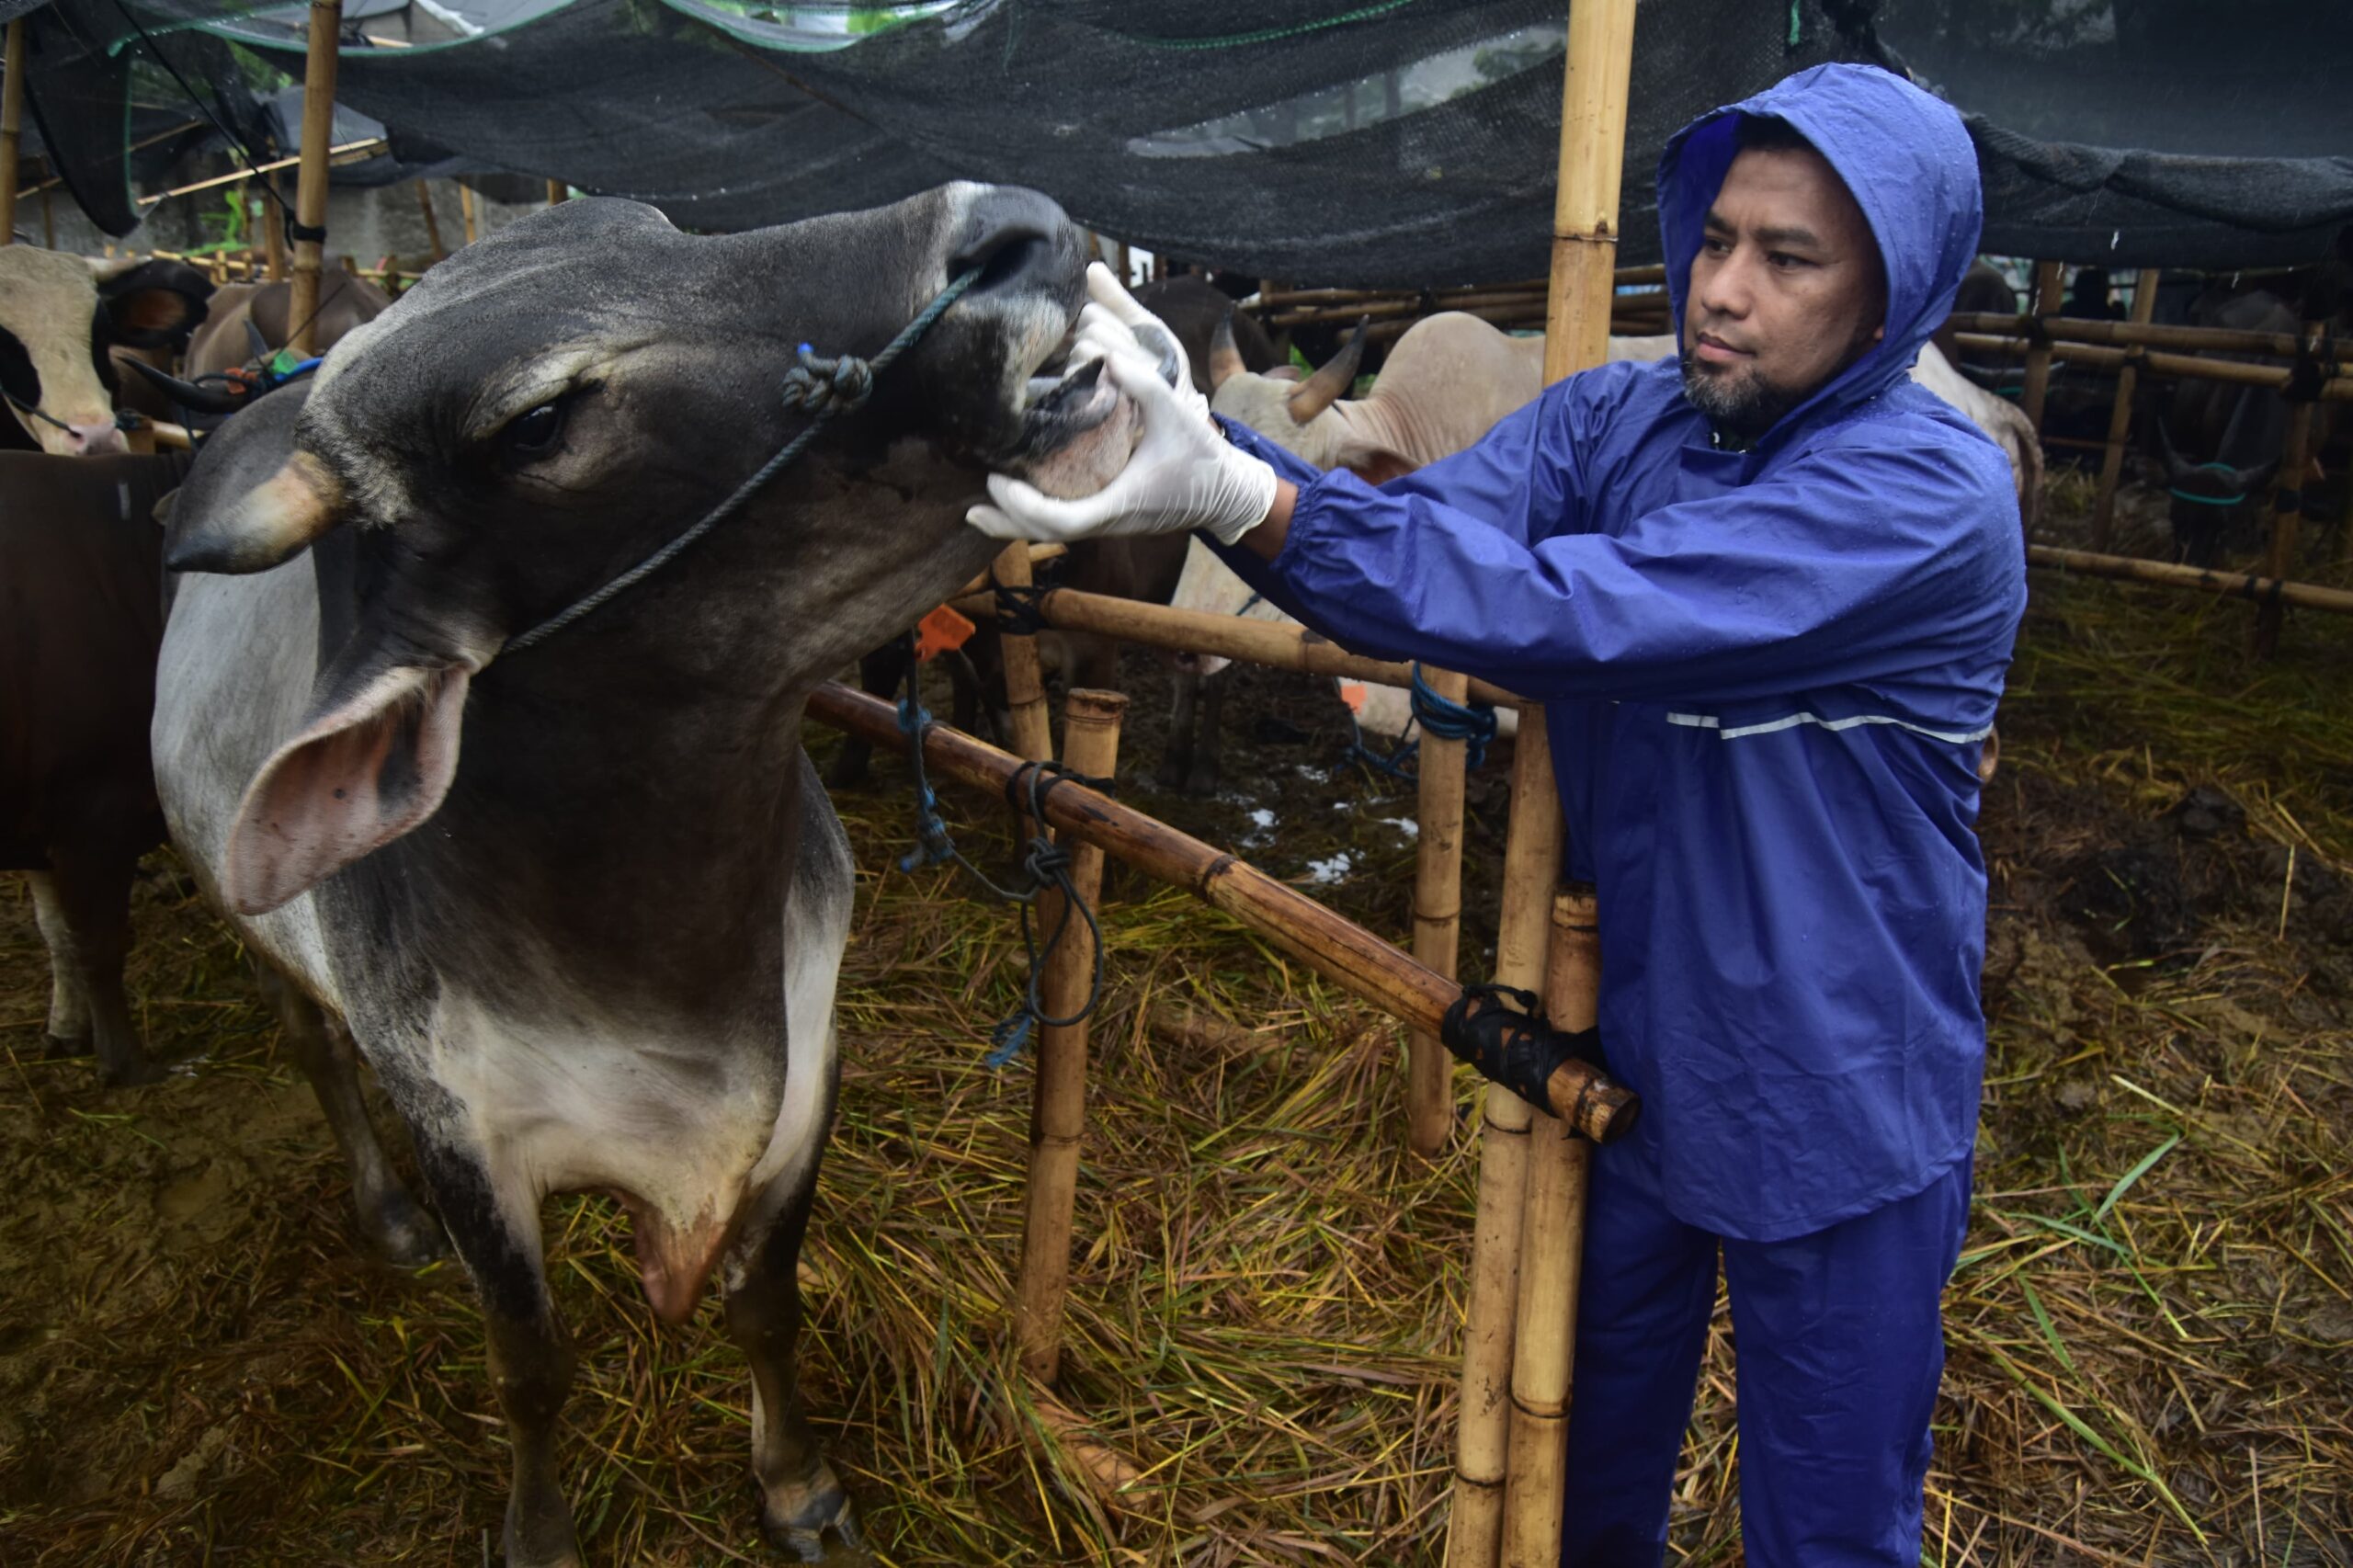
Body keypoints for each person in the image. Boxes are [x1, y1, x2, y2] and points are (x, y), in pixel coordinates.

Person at [972, 62, 2026, 1568]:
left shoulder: (1924, 496)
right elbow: (1415, 532)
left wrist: (1236, 503)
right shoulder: (1623, 419)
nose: (1723, 290)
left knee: (1830, 1524)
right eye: (1717, 238)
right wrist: (1204, 455)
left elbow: (1578, 608)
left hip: (1837, 1086)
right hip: (1635, 1054)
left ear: (1889, 295)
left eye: (1789, 260)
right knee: (1582, 1477)